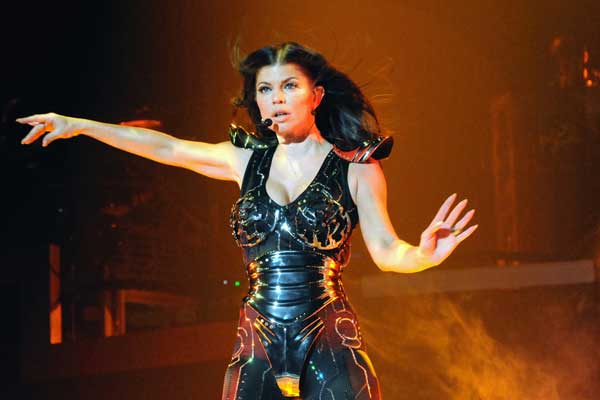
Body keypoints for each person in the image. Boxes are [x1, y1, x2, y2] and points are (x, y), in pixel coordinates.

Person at [17, 42, 477, 399]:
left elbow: (388, 251)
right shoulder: (243, 161)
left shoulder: (356, 167)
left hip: (330, 344)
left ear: (316, 95)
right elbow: (167, 147)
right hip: (256, 343)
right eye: (265, 90)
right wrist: (79, 125)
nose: (276, 99)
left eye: (289, 86)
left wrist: (424, 254)